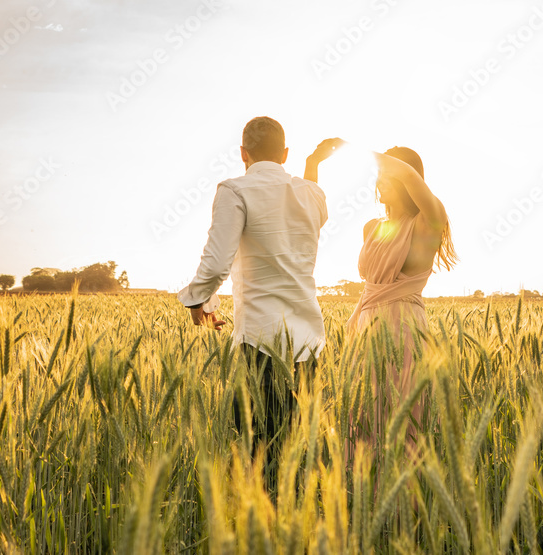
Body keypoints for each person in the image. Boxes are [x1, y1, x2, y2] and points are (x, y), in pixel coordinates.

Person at [177, 116, 342, 492]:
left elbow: (218, 261)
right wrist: (312, 166)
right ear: (285, 153)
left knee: (259, 455)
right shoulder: (313, 195)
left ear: (242, 153)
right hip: (309, 344)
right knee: (301, 453)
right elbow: (312, 203)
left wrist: (198, 300)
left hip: (259, 343)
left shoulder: (234, 190)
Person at [345, 146, 457, 450]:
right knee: (365, 421)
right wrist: (353, 321)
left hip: (404, 332)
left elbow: (410, 175)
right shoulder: (371, 228)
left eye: (387, 175)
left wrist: (364, 151)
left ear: (407, 182)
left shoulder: (428, 221)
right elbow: (372, 285)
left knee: (403, 423)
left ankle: (404, 496)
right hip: (366, 333)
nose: (379, 180)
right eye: (378, 174)